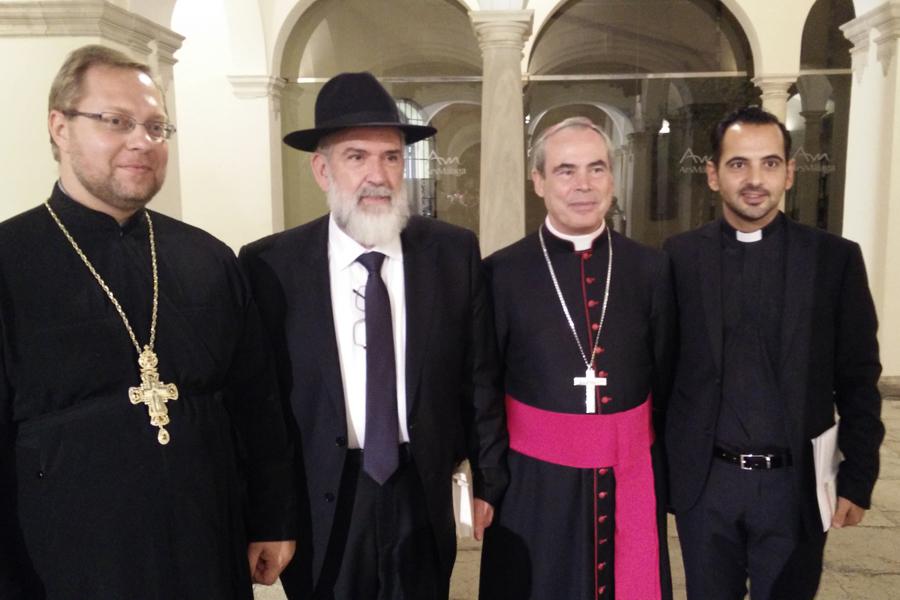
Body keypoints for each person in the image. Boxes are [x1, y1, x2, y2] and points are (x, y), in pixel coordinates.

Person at [0, 45, 296, 599]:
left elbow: (256, 403)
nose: (142, 141)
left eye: (157, 126)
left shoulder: (207, 259)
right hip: (64, 566)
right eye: (116, 121)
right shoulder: (9, 262)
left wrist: (271, 517)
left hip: (204, 552)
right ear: (59, 127)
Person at [239, 72, 508, 599]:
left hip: (420, 486)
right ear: (322, 169)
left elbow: (480, 378)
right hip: (324, 496)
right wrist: (268, 515)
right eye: (356, 157)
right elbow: (259, 406)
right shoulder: (271, 267)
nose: (377, 174)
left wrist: (490, 480)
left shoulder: (451, 255)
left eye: (390, 157)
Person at [664, 106, 885, 599]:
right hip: (708, 487)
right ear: (713, 175)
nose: (754, 179)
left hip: (796, 486)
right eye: (738, 164)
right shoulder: (679, 257)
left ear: (789, 172)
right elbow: (662, 373)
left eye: (769, 163)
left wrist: (858, 476)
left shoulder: (834, 260)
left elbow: (858, 377)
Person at [479, 116, 675, 600]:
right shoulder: (500, 274)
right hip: (532, 486)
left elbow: (670, 377)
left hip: (631, 472)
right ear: (539, 181)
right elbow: (481, 387)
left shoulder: (650, 268)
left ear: (613, 178)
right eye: (566, 171)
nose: (583, 185)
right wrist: (488, 480)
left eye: (597, 169)